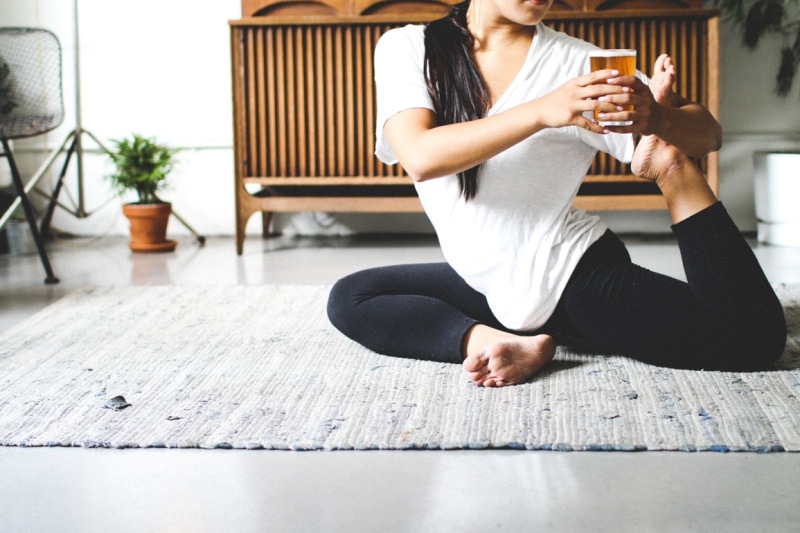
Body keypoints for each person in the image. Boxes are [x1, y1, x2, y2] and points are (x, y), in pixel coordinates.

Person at [327, 0, 787, 387]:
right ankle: (499, 342)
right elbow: (421, 156)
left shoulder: (577, 64)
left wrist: (658, 121)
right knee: (352, 295)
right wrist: (545, 111)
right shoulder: (409, 47)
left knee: (751, 341)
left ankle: (671, 172)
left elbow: (709, 135)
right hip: (488, 283)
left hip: (568, 274)